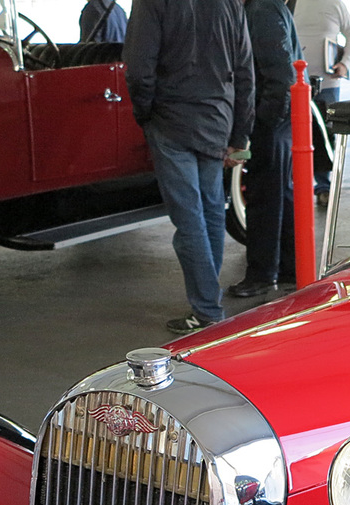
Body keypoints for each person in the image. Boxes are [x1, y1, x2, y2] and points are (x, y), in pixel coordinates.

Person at [124, 0, 255, 334]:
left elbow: (139, 68)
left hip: (171, 120)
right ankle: (209, 299)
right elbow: (244, 69)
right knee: (211, 209)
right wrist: (240, 131)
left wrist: (145, 115)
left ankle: (208, 309)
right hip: (216, 118)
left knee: (189, 219)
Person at [230, 0, 302, 298]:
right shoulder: (270, 7)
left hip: (273, 120)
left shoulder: (260, 11)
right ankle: (288, 268)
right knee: (280, 195)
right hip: (283, 118)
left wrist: (263, 121)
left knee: (264, 197)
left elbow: (279, 74)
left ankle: (261, 275)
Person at [293, 0, 350, 199]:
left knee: (326, 135)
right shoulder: (291, 3)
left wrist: (345, 64)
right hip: (295, 83)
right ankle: (294, 185)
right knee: (293, 133)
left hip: (328, 84)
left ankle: (324, 187)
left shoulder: (335, 3)